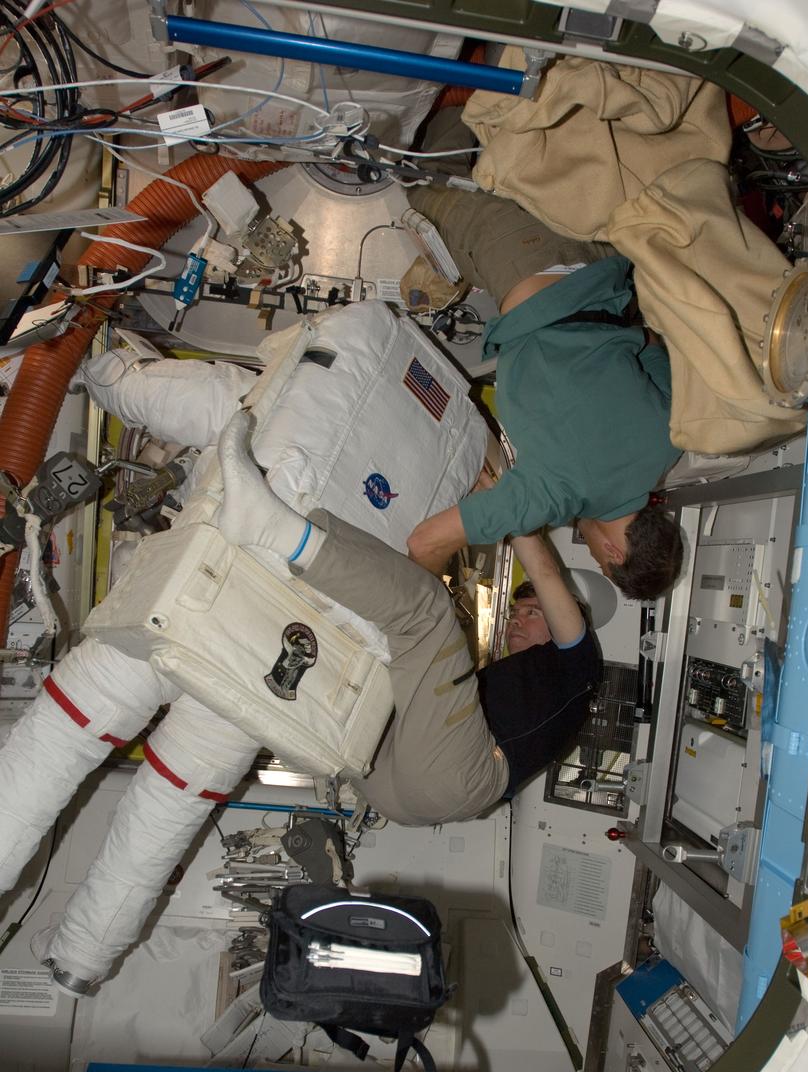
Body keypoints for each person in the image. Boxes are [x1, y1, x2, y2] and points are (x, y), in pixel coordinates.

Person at [217, 411, 601, 826]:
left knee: (426, 612)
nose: (515, 620)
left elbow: (544, 572)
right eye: (515, 612)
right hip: (396, 788)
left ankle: (269, 523)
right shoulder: (523, 690)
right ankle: (276, 534)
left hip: (458, 779)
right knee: (356, 666)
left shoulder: (580, 665)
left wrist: (504, 502)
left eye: (532, 612)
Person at [402, 108, 684, 600]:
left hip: (597, 249)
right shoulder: (557, 495)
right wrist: (424, 611)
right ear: (614, 555)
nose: (592, 550)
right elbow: (424, 542)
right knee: (420, 184)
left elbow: (652, 344)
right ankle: (454, 90)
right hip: (522, 251)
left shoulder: (672, 441)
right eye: (598, 556)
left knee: (508, 144)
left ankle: (488, 99)